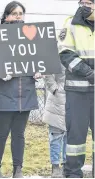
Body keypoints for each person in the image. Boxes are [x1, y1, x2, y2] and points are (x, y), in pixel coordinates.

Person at [0, 1, 42, 177]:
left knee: (19, 134)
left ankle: (18, 169)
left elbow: (40, 58)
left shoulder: (33, 35)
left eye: (20, 13)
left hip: (25, 93)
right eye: (14, 13)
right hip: (3, 91)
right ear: (6, 16)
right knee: (1, 133)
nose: (17, 17)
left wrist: (39, 71)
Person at [58, 0, 94, 177]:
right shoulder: (70, 23)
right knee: (75, 139)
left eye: (91, 2)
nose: (87, 5)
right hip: (77, 93)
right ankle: (73, 174)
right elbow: (65, 54)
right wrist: (89, 73)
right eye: (83, 2)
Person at [42, 65, 67, 178]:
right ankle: (55, 167)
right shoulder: (57, 50)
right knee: (56, 135)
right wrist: (54, 88)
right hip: (57, 98)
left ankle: (67, 164)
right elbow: (46, 69)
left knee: (70, 136)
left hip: (75, 95)